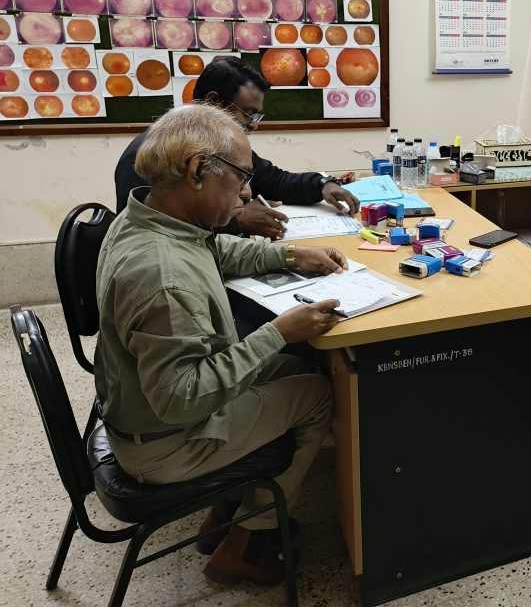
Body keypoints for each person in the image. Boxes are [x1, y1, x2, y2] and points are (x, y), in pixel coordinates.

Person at [95, 103, 348, 587]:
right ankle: (248, 541)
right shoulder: (164, 278)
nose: (248, 192)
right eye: (241, 177)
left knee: (293, 368)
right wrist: (279, 331)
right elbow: (181, 398)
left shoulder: (148, 219)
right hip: (166, 442)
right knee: (316, 395)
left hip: (144, 412)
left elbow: (216, 250)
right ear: (196, 171)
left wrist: (290, 254)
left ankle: (227, 509)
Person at [114, 56, 358, 239]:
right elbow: (155, 231)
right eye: (248, 113)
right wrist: (237, 222)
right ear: (213, 102)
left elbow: (273, 179)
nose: (253, 125)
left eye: (257, 116)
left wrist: (321, 184)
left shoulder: (222, 147)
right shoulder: (149, 154)